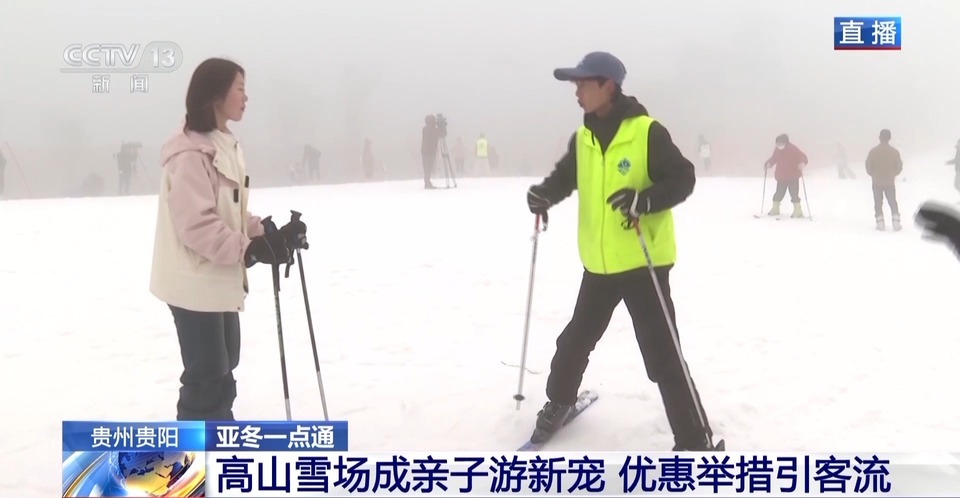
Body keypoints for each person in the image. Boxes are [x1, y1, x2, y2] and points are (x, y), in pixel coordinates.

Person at [525, 51, 720, 451]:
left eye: (582, 83)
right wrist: (545, 193)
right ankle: (559, 401)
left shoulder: (647, 132)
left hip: (642, 263)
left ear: (608, 86)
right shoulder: (583, 138)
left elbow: (683, 178)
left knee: (662, 355)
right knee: (574, 342)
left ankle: (694, 440)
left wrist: (644, 201)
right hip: (598, 265)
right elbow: (566, 177)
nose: (576, 91)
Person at [149, 57, 308, 421]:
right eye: (240, 88)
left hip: (216, 276)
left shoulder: (222, 143)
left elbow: (226, 213)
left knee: (224, 365)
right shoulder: (190, 153)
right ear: (216, 95)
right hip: (192, 280)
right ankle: (190, 463)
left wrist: (266, 233)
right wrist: (248, 249)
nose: (246, 97)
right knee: (206, 373)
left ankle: (219, 436)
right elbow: (197, 225)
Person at [865, 129, 903, 231]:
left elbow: (868, 166)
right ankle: (896, 222)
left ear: (879, 138)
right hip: (890, 181)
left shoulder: (873, 151)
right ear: (889, 138)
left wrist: (873, 174)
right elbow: (899, 167)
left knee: (878, 202)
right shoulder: (895, 152)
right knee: (892, 201)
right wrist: (893, 174)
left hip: (876, 181)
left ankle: (880, 222)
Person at [763, 134, 808, 218]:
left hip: (793, 176)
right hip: (781, 176)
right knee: (778, 193)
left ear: (786, 143)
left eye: (780, 144)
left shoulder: (793, 149)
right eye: (777, 144)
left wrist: (802, 163)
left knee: (794, 194)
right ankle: (775, 209)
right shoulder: (777, 150)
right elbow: (774, 158)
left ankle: (797, 211)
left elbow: (803, 157)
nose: (778, 146)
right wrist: (768, 164)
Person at [421, 115, 441, 189]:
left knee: (426, 168)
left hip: (424, 151)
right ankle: (427, 183)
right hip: (430, 151)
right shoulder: (434, 130)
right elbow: (443, 134)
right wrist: (441, 126)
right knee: (428, 168)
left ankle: (427, 182)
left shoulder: (425, 129)